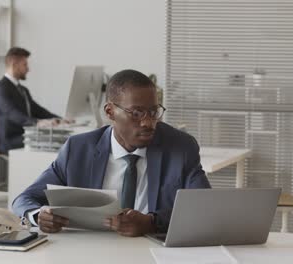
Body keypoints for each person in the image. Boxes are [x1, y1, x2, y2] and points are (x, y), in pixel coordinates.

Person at [13, 69, 211, 237]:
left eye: (153, 112)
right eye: (136, 113)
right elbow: (24, 200)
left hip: (151, 250)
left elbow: (204, 209)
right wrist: (38, 215)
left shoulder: (180, 147)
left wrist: (152, 222)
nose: (148, 122)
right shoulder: (78, 149)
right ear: (110, 112)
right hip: (92, 251)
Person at [0, 47, 61, 154]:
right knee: (52, 142)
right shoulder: (1, 89)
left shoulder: (23, 90)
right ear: (14, 64)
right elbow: (11, 113)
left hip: (26, 136)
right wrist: (37, 123)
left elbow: (38, 110)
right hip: (11, 140)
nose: (28, 69)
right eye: (25, 65)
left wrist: (59, 120)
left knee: (56, 139)